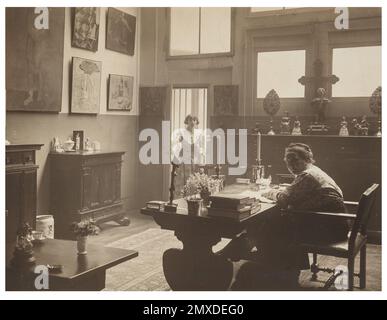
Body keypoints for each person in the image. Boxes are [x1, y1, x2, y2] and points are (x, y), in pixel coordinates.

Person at [220, 143, 349, 289]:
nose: (292, 166)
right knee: (276, 221)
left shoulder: (307, 175)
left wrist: (270, 193)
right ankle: (280, 266)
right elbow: (296, 196)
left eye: (295, 161)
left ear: (307, 159)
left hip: (328, 229)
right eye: (288, 162)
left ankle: (268, 262)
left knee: (274, 224)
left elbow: (284, 199)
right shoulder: (314, 171)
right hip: (333, 224)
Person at [171, 115, 205, 194]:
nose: (192, 122)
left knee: (195, 183)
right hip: (184, 161)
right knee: (183, 184)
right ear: (187, 121)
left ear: (196, 121)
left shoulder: (198, 134)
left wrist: (200, 160)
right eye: (190, 120)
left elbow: (201, 147)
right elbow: (177, 145)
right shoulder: (182, 133)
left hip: (194, 161)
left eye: (194, 120)